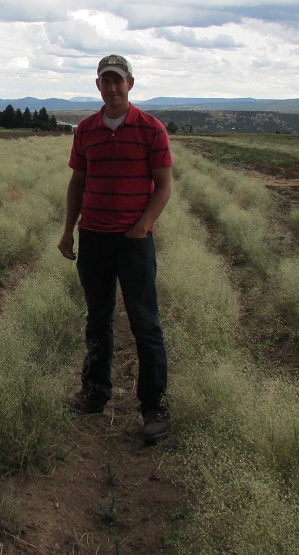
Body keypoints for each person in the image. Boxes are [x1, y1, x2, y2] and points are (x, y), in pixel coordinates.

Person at [57, 54, 173, 445]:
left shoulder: (151, 129)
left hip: (134, 242)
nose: (112, 87)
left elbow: (164, 186)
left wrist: (142, 225)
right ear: (97, 86)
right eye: (105, 81)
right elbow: (77, 183)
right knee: (98, 319)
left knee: (146, 324)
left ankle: (154, 406)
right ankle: (95, 393)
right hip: (93, 238)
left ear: (130, 83)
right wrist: (68, 231)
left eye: (118, 81)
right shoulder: (86, 130)